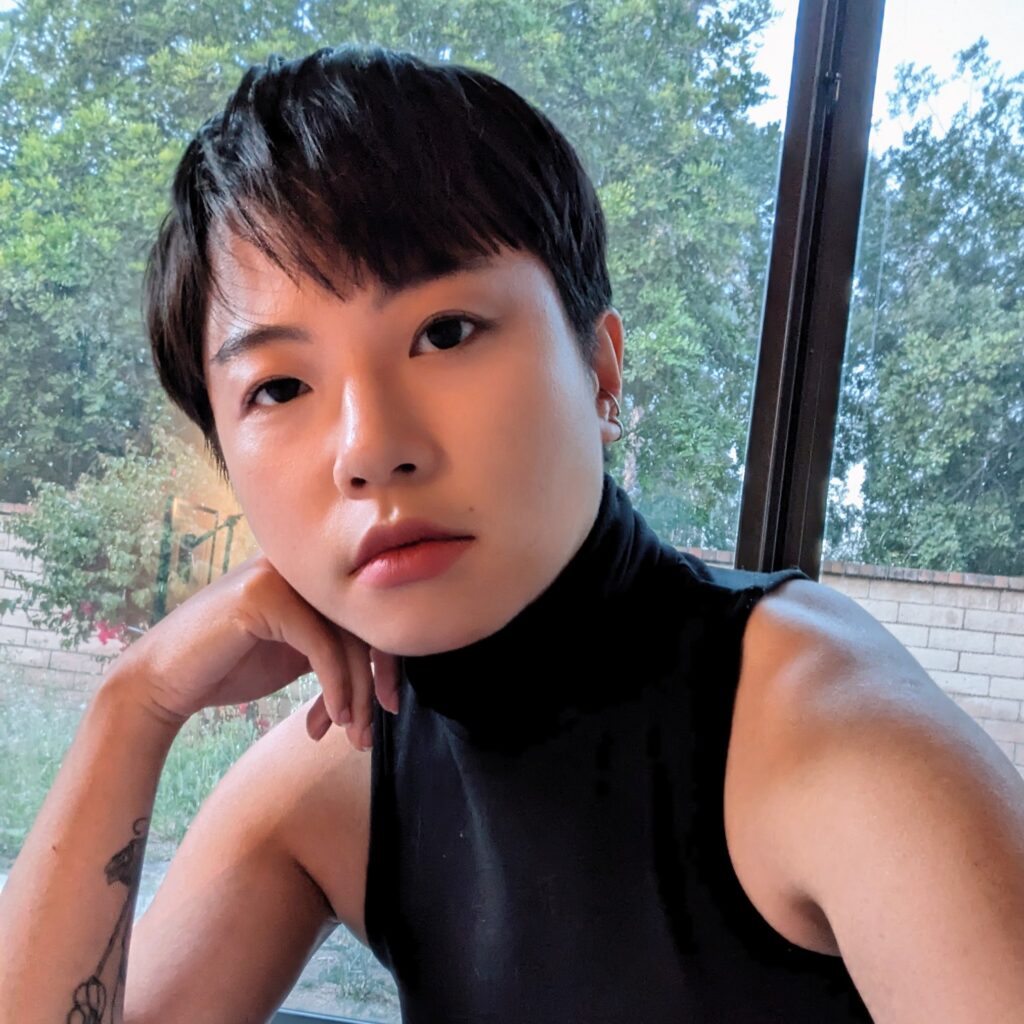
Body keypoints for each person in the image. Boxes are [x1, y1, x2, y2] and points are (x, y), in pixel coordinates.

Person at [1, 43, 1022, 1024]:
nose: (370, 448)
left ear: (601, 370)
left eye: (444, 332)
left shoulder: (830, 739)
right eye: (279, 387)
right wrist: (135, 703)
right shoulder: (345, 768)